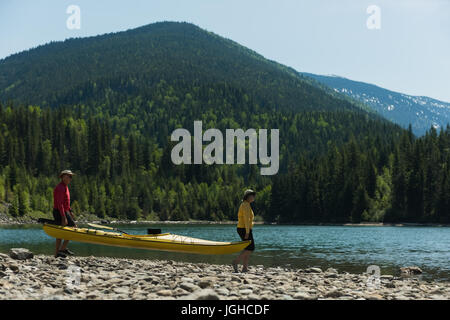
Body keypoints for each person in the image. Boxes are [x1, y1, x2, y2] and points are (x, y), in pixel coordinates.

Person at [53, 170, 77, 258]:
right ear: (62, 177)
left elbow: (66, 203)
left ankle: (60, 251)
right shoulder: (60, 188)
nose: (70, 178)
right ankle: (61, 250)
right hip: (59, 211)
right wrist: (63, 217)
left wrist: (70, 211)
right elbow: (60, 204)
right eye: (68, 176)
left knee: (62, 232)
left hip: (64, 211)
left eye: (71, 177)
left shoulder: (65, 187)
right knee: (73, 228)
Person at [232, 189, 256, 273]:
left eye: (254, 195)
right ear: (248, 196)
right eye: (252, 195)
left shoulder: (247, 204)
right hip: (244, 229)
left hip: (245, 228)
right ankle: (236, 262)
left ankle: (245, 268)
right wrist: (247, 232)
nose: (253, 196)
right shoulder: (245, 205)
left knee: (248, 248)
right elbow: (246, 219)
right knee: (251, 248)